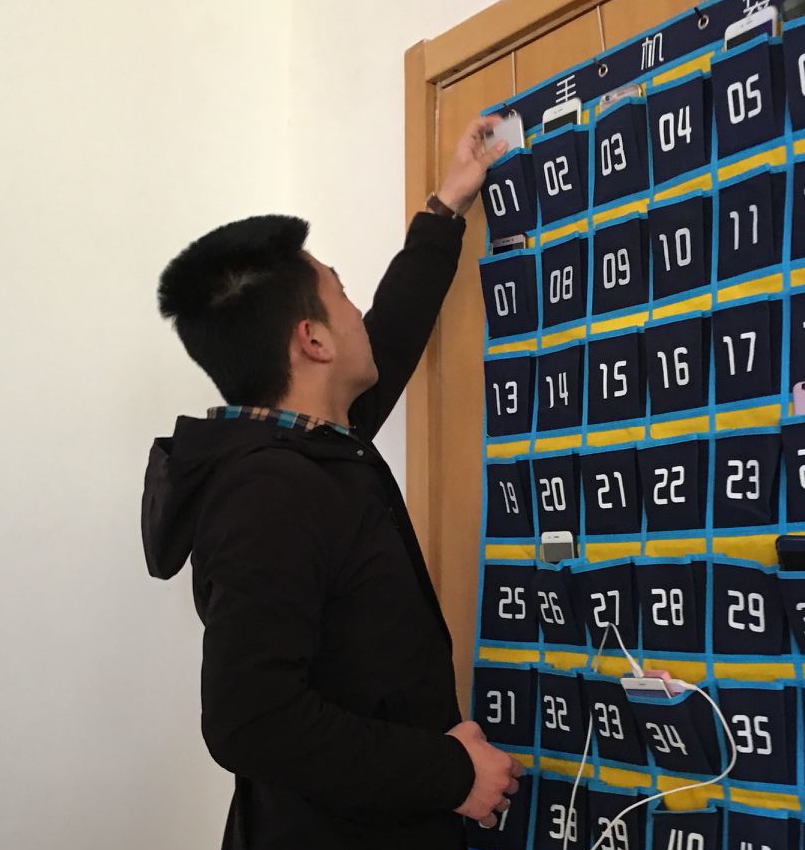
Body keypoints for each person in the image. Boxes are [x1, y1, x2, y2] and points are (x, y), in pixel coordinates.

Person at [140, 116, 518, 850]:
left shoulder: (312, 450)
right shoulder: (269, 494)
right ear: (312, 340)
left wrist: (446, 208)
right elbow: (250, 719)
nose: (358, 314)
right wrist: (449, 774)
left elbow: (390, 338)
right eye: (342, 295)